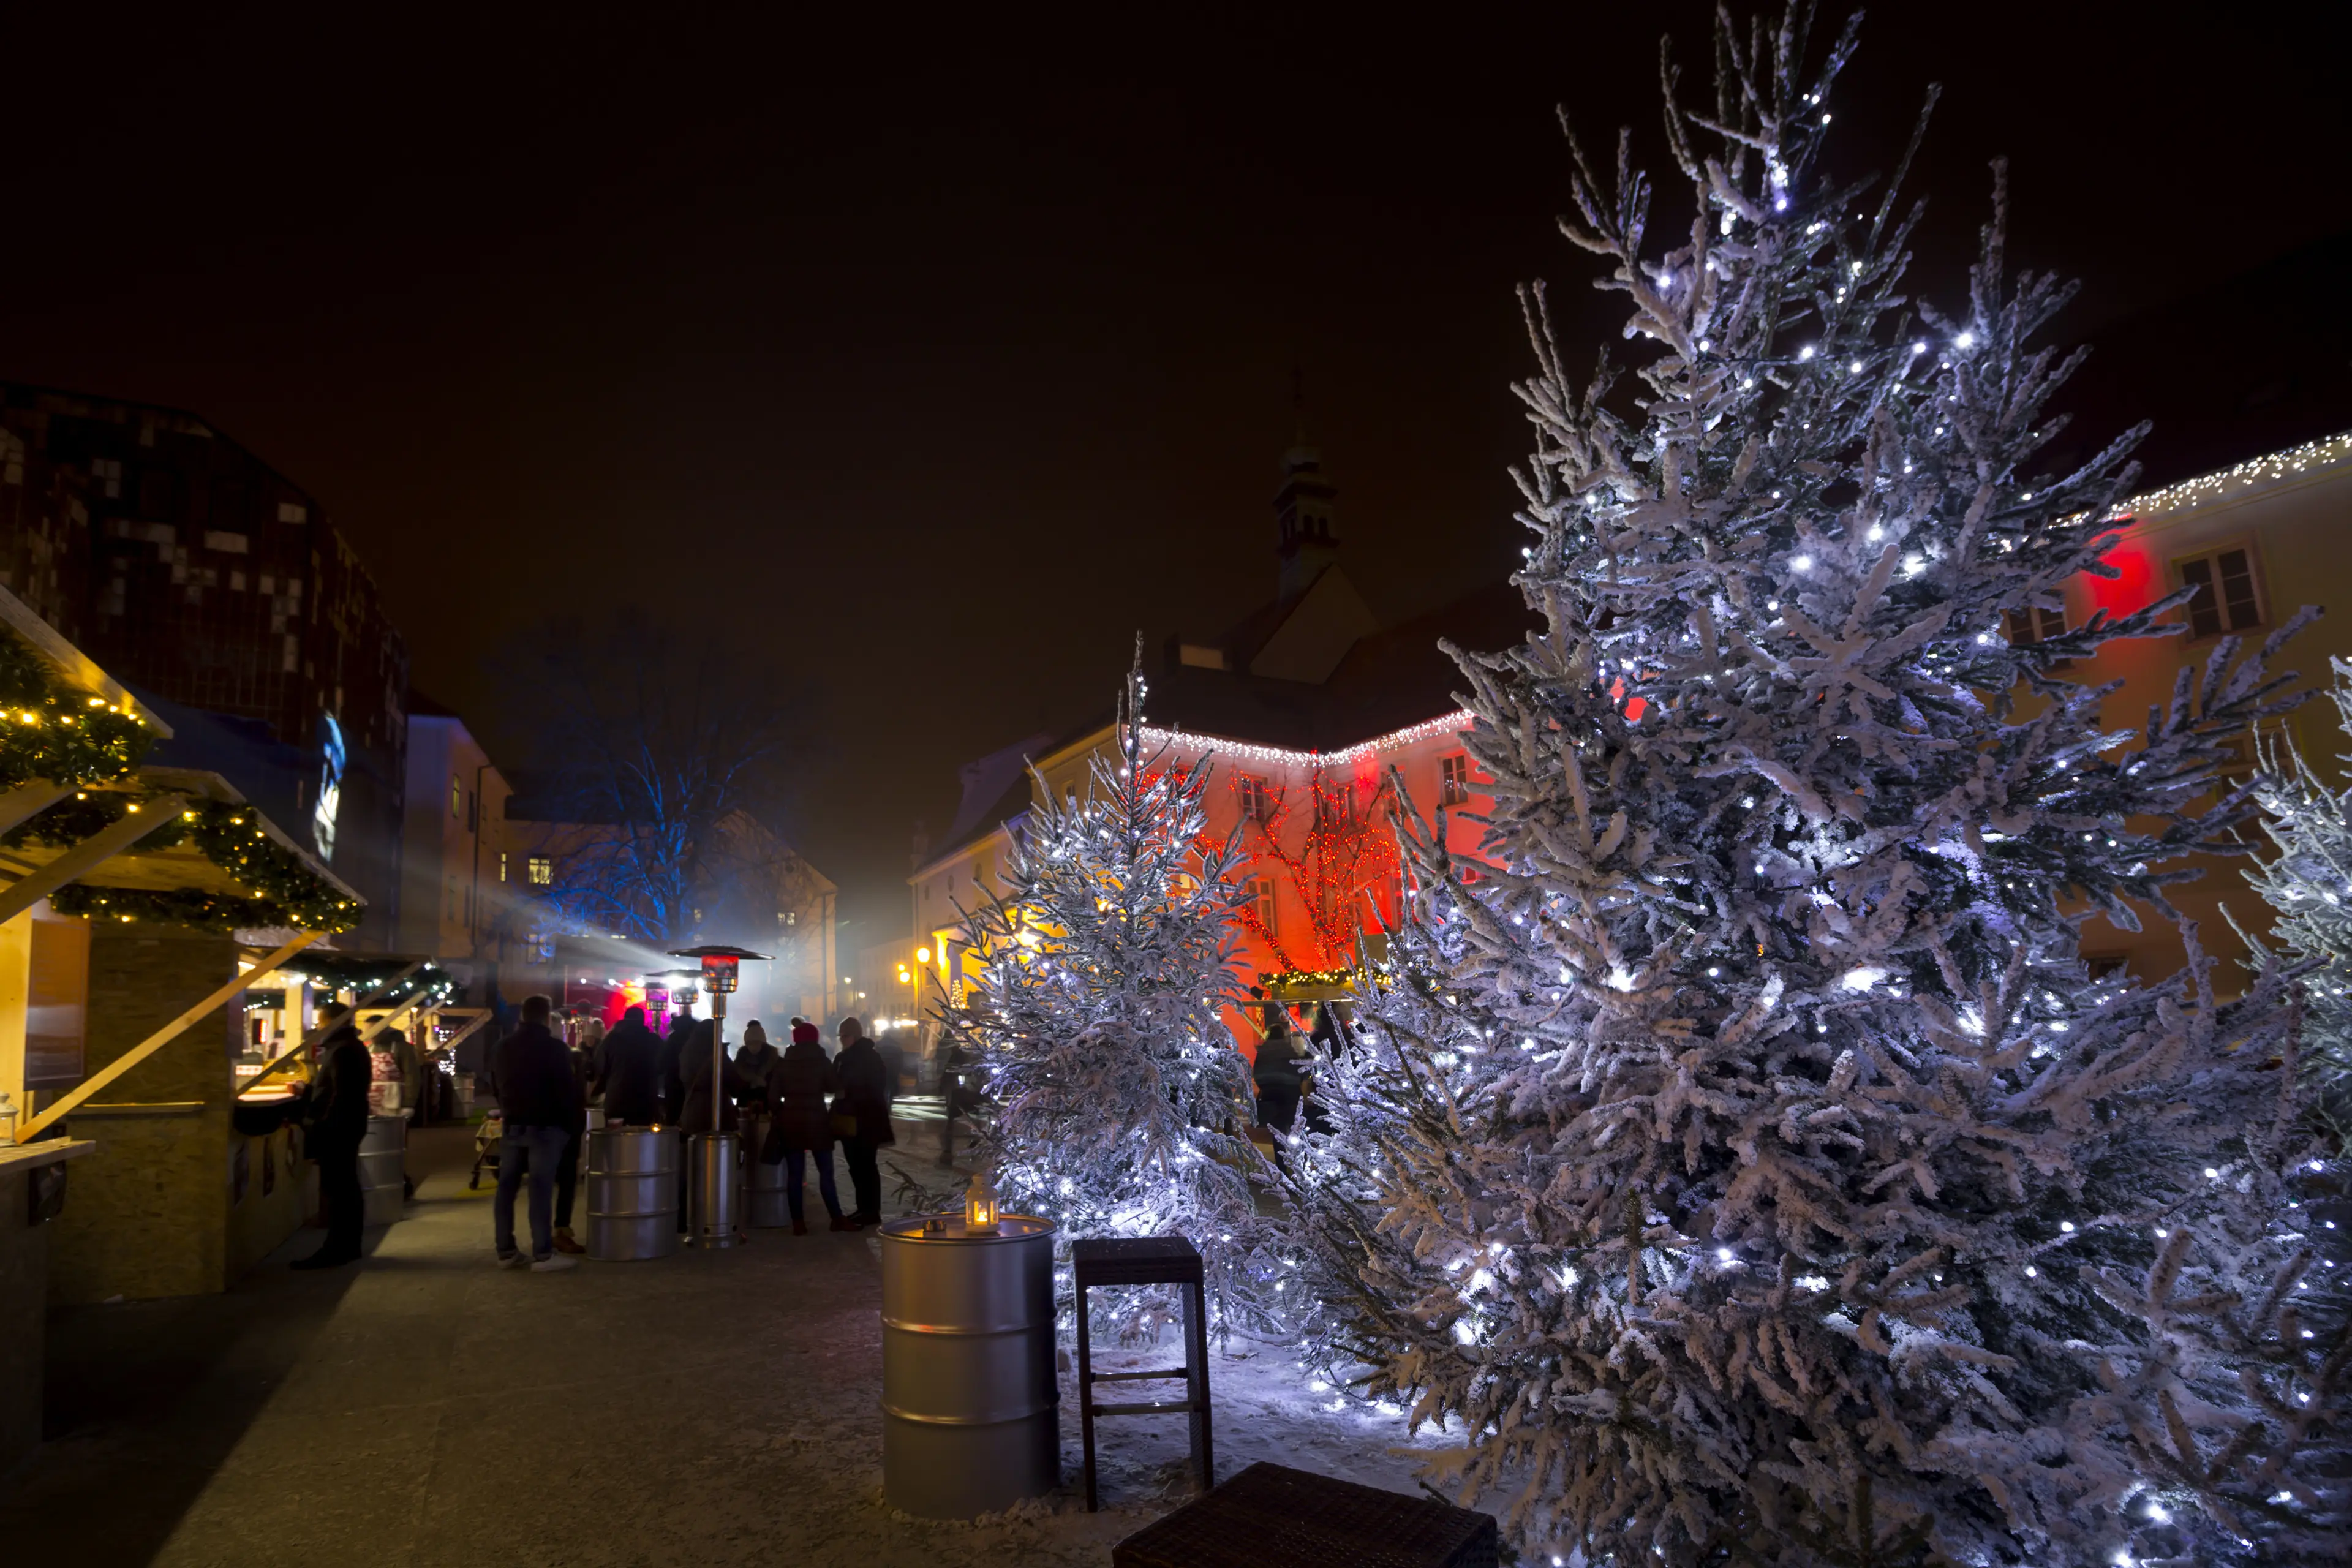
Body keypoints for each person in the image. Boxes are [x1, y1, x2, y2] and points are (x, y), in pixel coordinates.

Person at [489, 995, 583, 1272]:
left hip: (513, 1125)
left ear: (522, 1016)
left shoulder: (502, 1047)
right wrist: (569, 1128)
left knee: (507, 1189)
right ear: (546, 1017)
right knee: (541, 1190)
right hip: (546, 1126)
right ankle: (543, 1253)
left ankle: (506, 1251)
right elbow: (567, 1091)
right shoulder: (556, 1049)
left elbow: (496, 1086)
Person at [292, 1022, 374, 1270]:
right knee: (345, 1187)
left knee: (339, 1189)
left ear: (331, 1023)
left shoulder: (342, 1051)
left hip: (338, 1127)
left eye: (321, 1022)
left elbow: (340, 1094)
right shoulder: (350, 1048)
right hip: (347, 1124)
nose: (317, 1027)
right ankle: (348, 1247)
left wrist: (316, 1120)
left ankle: (338, 1249)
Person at [770, 1020, 853, 1234]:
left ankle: (798, 1223)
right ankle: (836, 1217)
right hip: (817, 1121)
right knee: (826, 1172)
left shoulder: (784, 1063)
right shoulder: (822, 1061)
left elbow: (772, 1097)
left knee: (795, 1175)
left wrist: (782, 1112)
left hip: (791, 1122)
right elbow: (835, 1088)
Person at [834, 1016, 895, 1227]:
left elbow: (876, 1086)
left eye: (846, 1036)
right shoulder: (843, 1057)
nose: (843, 1040)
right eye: (841, 1036)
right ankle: (864, 1209)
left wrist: (848, 1092)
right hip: (850, 1120)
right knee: (856, 1166)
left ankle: (870, 1211)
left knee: (866, 1166)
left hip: (866, 1119)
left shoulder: (869, 1057)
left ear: (856, 1035)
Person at [594, 1006, 666, 1125]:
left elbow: (600, 1067)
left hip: (616, 1101)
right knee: (641, 1140)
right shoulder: (654, 1041)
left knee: (615, 1139)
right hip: (645, 1102)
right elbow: (663, 1068)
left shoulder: (612, 1040)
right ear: (643, 1021)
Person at [1251, 996, 1306, 1134]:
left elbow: (1257, 1071)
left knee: (1277, 1128)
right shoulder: (1289, 1050)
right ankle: (1295, 1150)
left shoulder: (1263, 1051)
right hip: (1289, 1091)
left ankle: (1280, 1153)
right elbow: (1297, 1069)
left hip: (1270, 1092)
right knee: (1292, 1124)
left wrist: (1264, 1085)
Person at [734, 1020, 780, 1099]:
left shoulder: (742, 1056)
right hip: (768, 1100)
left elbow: (735, 1080)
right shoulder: (772, 1055)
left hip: (745, 1100)